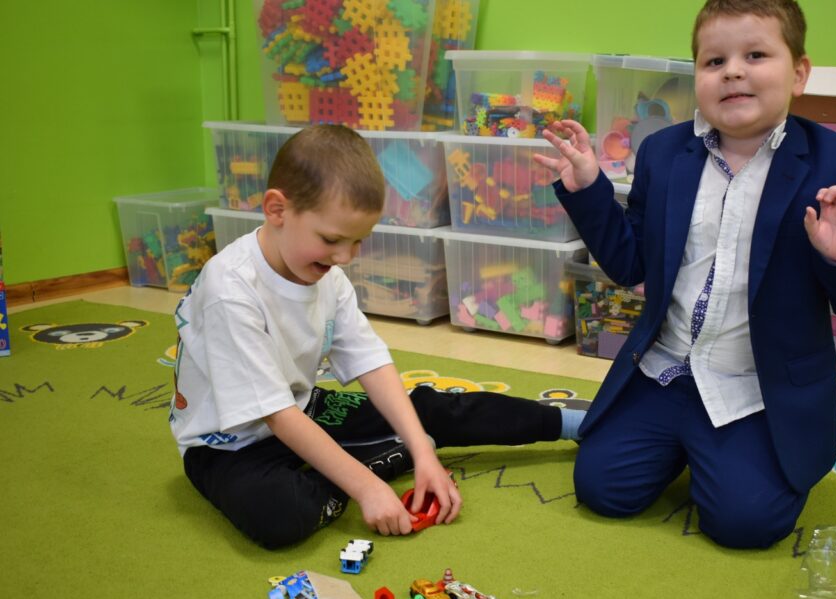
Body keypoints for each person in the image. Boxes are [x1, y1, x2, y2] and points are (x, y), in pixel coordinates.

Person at [535, 0, 836, 549]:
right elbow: (630, 264)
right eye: (714, 61)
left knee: (745, 524)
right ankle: (676, 442)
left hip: (756, 386)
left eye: (756, 55)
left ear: (799, 73)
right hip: (664, 370)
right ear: (697, 75)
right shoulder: (662, 152)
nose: (733, 72)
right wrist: (588, 190)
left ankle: (727, 457)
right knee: (602, 490)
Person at [171, 124, 585, 549]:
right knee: (280, 515)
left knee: (427, 410)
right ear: (277, 209)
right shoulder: (230, 289)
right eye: (332, 239)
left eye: (358, 241)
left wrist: (423, 453)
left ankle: (574, 423)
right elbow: (276, 415)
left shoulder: (327, 273)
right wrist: (367, 488)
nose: (345, 257)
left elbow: (371, 362)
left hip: (304, 410)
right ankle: (372, 463)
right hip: (228, 446)